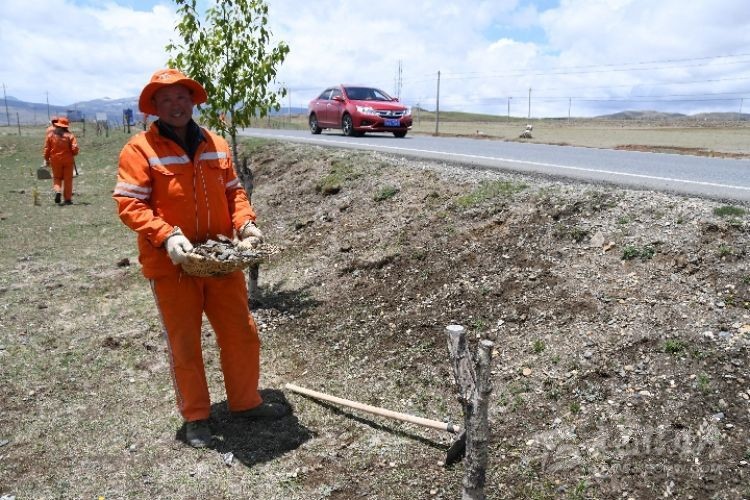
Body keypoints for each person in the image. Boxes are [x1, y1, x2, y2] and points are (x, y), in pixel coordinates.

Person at [113, 68, 288, 449]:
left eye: (182, 97)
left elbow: (234, 192)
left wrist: (245, 224)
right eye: (166, 99)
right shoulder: (139, 149)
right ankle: (196, 417)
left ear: (192, 101)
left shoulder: (216, 144)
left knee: (241, 333)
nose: (175, 105)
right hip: (172, 265)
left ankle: (246, 402)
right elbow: (129, 203)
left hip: (221, 260)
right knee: (185, 344)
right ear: (154, 106)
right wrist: (166, 235)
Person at [43, 117, 79, 205]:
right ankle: (67, 199)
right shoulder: (70, 136)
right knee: (68, 180)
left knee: (57, 178)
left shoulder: (50, 135)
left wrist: (46, 159)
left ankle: (58, 191)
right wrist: (73, 153)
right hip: (68, 160)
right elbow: (75, 149)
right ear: (66, 126)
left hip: (55, 160)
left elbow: (47, 149)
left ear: (57, 125)